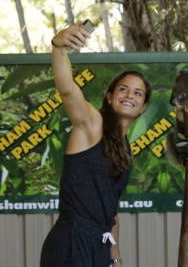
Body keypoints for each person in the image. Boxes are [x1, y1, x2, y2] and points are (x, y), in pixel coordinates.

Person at [40, 22, 152, 267]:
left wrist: (116, 257)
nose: (129, 96)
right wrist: (58, 47)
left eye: (137, 93)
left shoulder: (124, 147)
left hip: (100, 245)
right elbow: (68, 90)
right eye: (123, 89)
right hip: (71, 242)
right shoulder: (92, 124)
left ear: (143, 107)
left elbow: (111, 212)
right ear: (110, 97)